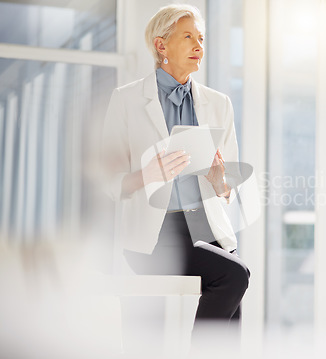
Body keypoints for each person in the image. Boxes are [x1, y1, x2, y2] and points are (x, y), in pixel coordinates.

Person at [101, 3, 249, 351]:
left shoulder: (219, 103)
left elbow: (229, 185)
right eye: (188, 37)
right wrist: (145, 175)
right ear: (161, 45)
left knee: (232, 279)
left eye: (201, 38)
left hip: (204, 229)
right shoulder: (125, 100)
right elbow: (109, 182)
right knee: (232, 275)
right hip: (154, 233)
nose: (199, 45)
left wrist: (220, 182)